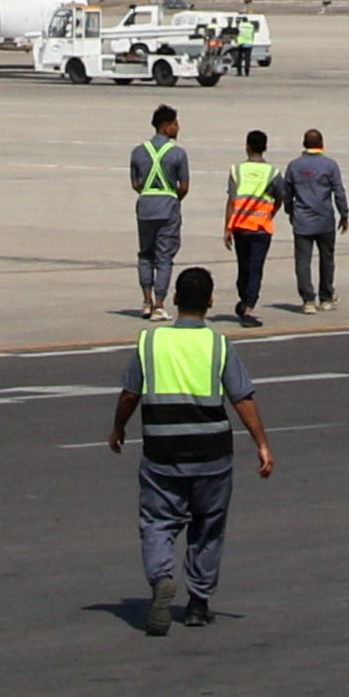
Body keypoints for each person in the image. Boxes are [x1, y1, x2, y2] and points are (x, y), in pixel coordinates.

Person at [106, 265, 275, 633]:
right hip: (211, 453)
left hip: (162, 452)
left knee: (157, 522)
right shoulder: (218, 344)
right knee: (208, 527)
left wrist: (118, 428)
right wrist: (261, 444)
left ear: (177, 300)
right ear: (211, 302)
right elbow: (242, 398)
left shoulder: (150, 342)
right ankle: (198, 603)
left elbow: (130, 394)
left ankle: (161, 577)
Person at [128, 102, 193, 316]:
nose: (178, 128)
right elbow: (183, 187)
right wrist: (173, 198)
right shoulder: (178, 154)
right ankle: (159, 304)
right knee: (164, 256)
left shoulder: (138, 152)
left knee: (145, 254)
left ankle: (146, 300)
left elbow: (136, 184)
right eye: (175, 124)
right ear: (165, 126)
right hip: (167, 207)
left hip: (145, 207)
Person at [280, 127, 349, 311]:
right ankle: (326, 297)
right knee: (327, 259)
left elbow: (287, 193)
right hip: (325, 220)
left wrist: (290, 212)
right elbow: (339, 192)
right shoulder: (330, 165)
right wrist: (344, 214)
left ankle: (308, 299)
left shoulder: (294, 166)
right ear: (321, 144)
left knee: (303, 261)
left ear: (304, 144)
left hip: (302, 220)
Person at [223, 128, 283, 323]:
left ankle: (245, 301)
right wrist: (270, 213)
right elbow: (280, 197)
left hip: (240, 227)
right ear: (265, 148)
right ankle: (248, 305)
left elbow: (231, 200)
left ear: (247, 147)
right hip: (261, 228)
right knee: (256, 268)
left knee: (244, 267)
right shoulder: (273, 172)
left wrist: (227, 228)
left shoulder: (237, 170)